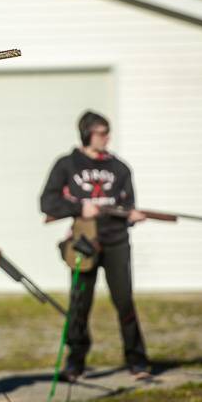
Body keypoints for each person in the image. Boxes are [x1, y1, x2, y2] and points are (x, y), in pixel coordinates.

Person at [40, 111, 150, 382]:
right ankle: (75, 363)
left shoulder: (120, 168)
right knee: (79, 303)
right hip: (84, 243)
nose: (107, 137)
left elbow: (128, 204)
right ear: (87, 133)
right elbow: (47, 203)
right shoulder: (67, 164)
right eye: (102, 132)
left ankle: (137, 360)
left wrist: (132, 216)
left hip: (116, 241)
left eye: (107, 132)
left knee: (124, 301)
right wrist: (79, 207)